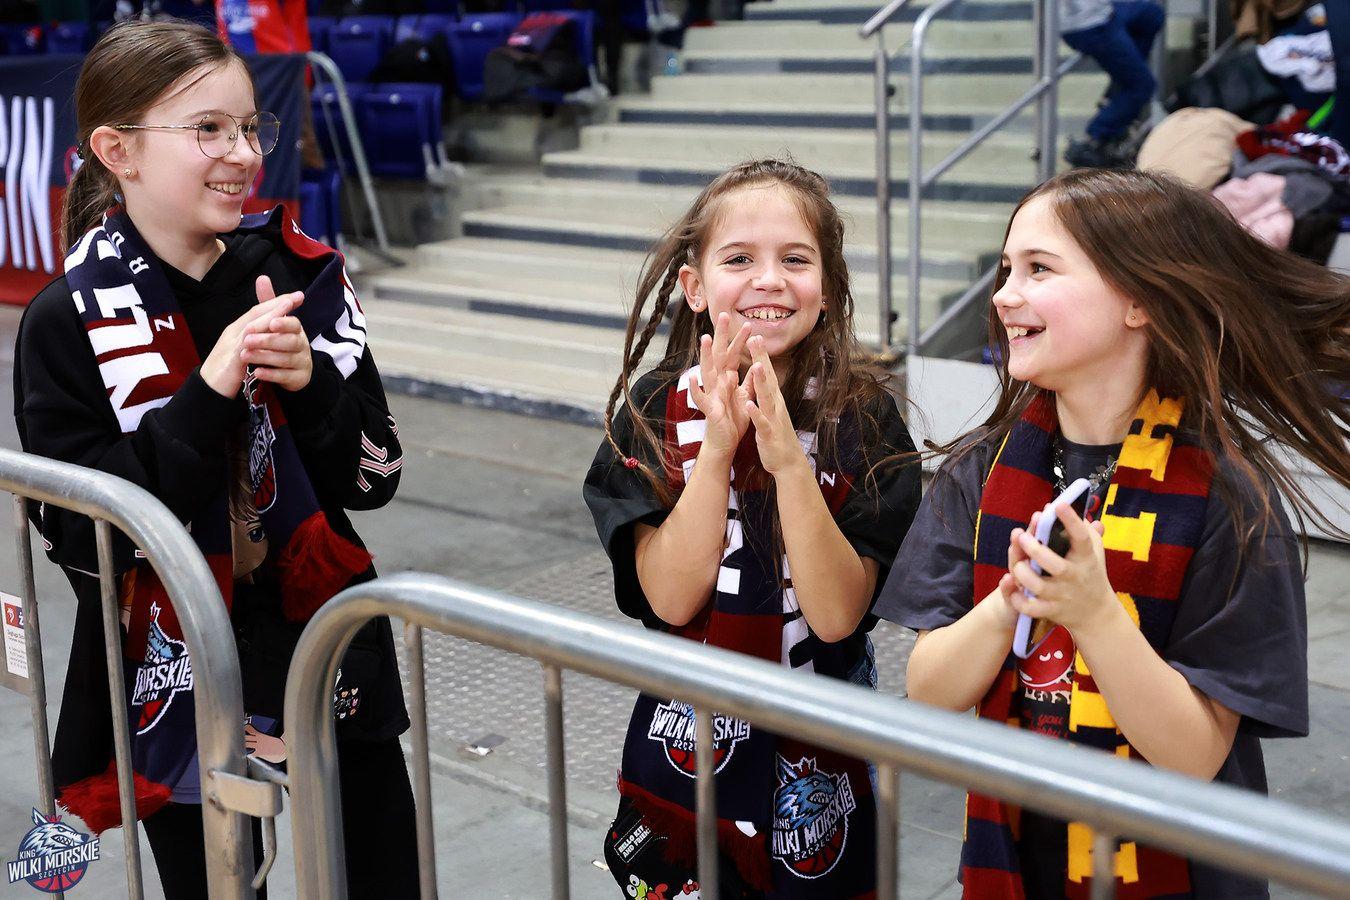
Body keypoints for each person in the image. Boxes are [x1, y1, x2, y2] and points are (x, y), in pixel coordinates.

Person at [12, 20, 417, 898]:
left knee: (384, 873)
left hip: (322, 645)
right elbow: (84, 544)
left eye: (249, 128)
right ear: (116, 151)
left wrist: (311, 385)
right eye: (208, 130)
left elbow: (376, 478)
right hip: (172, 669)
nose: (242, 154)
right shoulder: (66, 320)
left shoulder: (300, 275)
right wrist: (210, 390)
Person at [875, 167, 1350, 898]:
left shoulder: (1231, 501)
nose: (1003, 295)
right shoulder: (982, 472)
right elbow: (930, 691)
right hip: (1017, 863)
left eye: (1040, 269)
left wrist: (1094, 615)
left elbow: (1194, 755)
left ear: (1138, 301)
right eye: (1007, 269)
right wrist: (1011, 601)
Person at [583, 158, 922, 898]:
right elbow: (671, 599)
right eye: (739, 259)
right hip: (687, 727)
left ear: (827, 288)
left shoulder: (866, 418)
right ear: (695, 286)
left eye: (796, 260)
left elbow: (835, 617)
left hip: (821, 728)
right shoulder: (653, 408)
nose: (770, 280)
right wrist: (715, 456)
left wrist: (789, 465)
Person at [1060, 0, 1165, 168]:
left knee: (1151, 14)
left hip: (1106, 13)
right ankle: (1095, 141)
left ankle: (1120, 93)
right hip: (1087, 25)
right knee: (1142, 86)